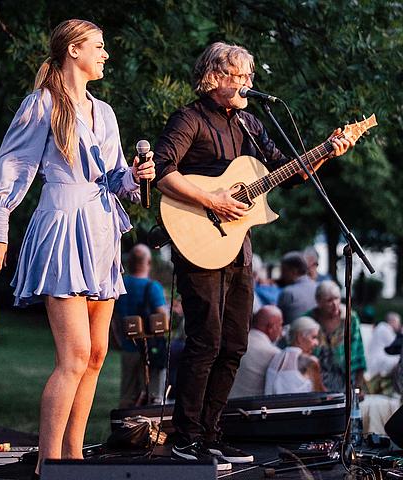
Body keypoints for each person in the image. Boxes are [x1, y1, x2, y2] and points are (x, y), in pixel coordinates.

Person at [153, 41, 353, 470]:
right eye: (240, 75)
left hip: (237, 247)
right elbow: (164, 172)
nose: (248, 82)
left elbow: (289, 171)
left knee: (233, 345)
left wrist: (326, 151)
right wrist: (213, 200)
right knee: (204, 341)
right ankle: (186, 438)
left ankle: (211, 435)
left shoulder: (249, 122)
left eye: (250, 76)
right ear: (215, 77)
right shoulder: (189, 119)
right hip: (199, 242)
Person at [0, 19, 155, 477]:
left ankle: (74, 459)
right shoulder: (42, 103)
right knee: (74, 355)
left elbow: (114, 178)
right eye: (99, 46)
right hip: (62, 226)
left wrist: (135, 176)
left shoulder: (106, 112)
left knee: (96, 355)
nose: (106, 54)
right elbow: (13, 165)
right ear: (73, 50)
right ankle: (49, 462)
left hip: (101, 231)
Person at [113, 244, 167, 407]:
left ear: (129, 263)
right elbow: (163, 317)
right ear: (148, 262)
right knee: (153, 395)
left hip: (128, 347)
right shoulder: (153, 287)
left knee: (128, 394)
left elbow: (114, 318)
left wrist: (119, 340)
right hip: (150, 349)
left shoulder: (120, 285)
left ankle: (124, 421)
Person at [308, 280, 367, 392]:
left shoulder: (350, 318)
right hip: (316, 383)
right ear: (318, 301)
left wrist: (358, 387)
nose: (335, 304)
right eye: (329, 300)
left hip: (346, 382)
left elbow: (359, 354)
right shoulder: (309, 320)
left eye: (337, 298)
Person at [229, 305, 283, 397]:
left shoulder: (235, 341)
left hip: (224, 401)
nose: (281, 330)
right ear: (271, 328)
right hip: (251, 405)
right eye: (280, 325)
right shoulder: (274, 354)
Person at [265, 316, 325, 394]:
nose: (317, 343)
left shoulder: (276, 357)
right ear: (299, 338)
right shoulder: (309, 361)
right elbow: (321, 395)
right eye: (313, 337)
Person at [277, 251, 317, 325]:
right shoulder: (317, 287)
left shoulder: (288, 293)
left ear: (294, 271)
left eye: (284, 270)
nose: (281, 275)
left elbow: (278, 322)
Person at [366, 312, 401, 394]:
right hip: (377, 362)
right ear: (392, 321)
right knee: (400, 361)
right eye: (398, 322)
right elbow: (395, 346)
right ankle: (397, 389)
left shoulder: (382, 327)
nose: (399, 325)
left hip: (376, 361)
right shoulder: (385, 328)